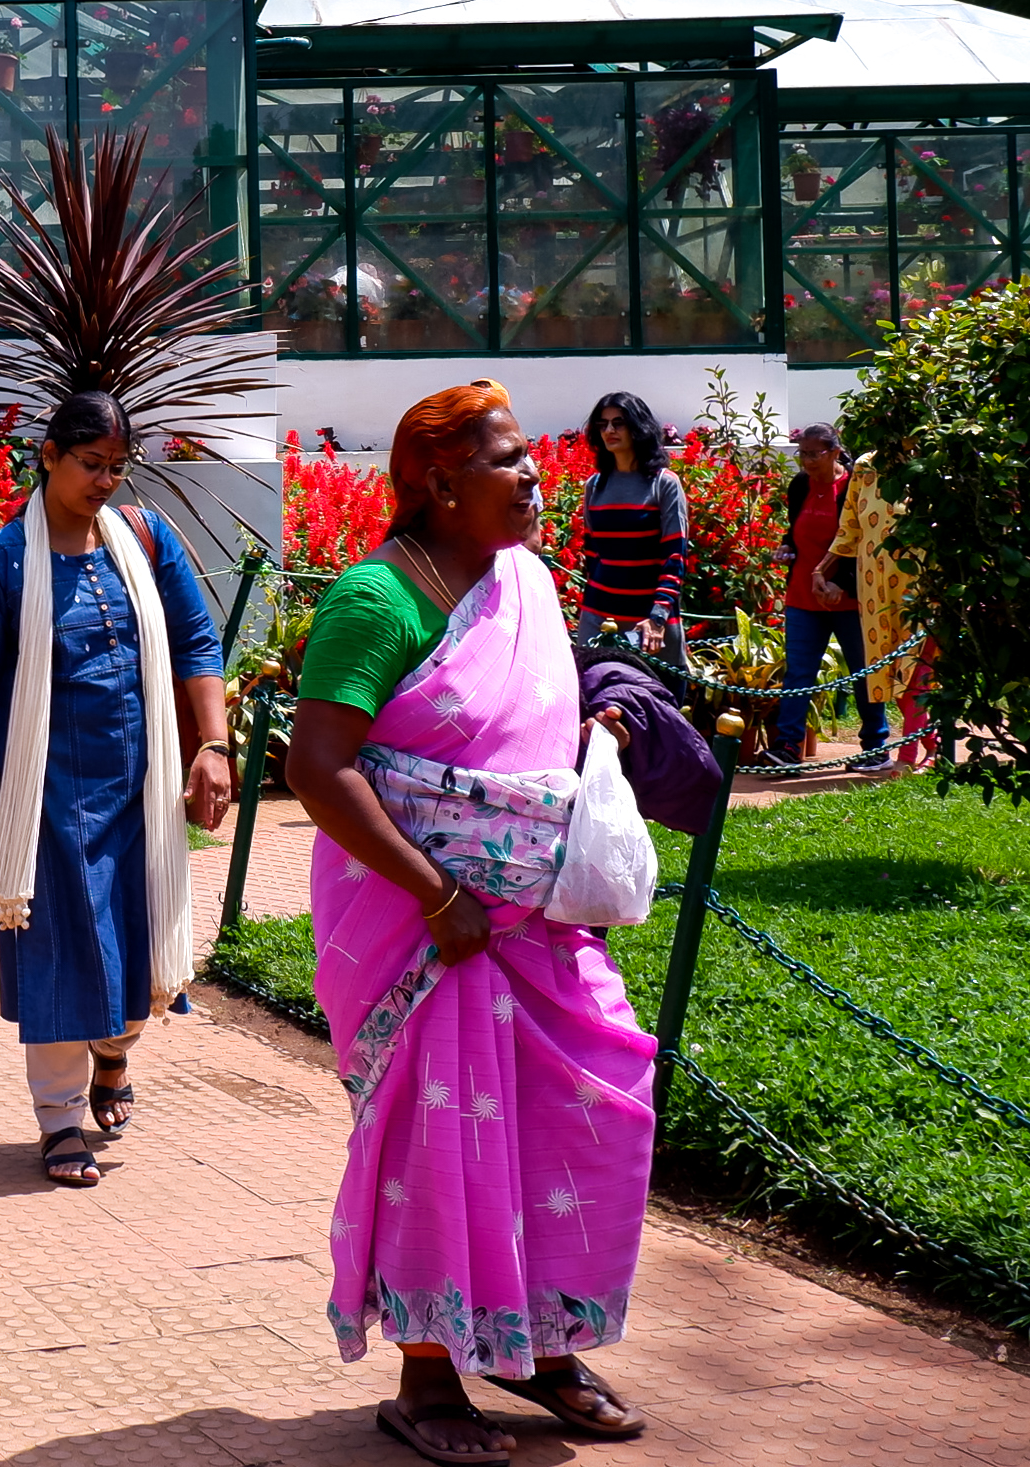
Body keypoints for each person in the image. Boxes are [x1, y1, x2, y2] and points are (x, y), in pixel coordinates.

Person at [285, 381, 660, 1461]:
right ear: (441, 485)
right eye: (507, 461)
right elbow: (319, 767)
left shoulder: (526, 585)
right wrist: (440, 895)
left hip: (540, 926)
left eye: (528, 461)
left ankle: (542, 1347)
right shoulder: (378, 600)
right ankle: (429, 1375)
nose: (535, 475)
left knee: (589, 1109)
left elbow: (522, 728)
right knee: (441, 1136)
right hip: (426, 929)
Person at [0, 391, 231, 1188]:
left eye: (117, 467)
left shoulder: (147, 539)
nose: (105, 481)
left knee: (139, 965)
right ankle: (57, 1121)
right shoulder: (3, 561)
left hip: (138, 789)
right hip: (43, 798)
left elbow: (193, 638)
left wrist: (212, 744)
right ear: (48, 454)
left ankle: (113, 1055)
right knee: (56, 954)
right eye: (90, 463)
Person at [827, 439, 927, 769]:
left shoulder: (931, 464)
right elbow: (850, 526)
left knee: (916, 670)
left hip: (919, 587)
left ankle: (910, 756)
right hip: (873, 589)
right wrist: (821, 569)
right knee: (887, 670)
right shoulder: (866, 465)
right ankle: (933, 743)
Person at [775, 424, 870, 766]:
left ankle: (874, 746)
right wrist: (786, 547)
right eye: (802, 453)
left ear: (834, 452)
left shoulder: (853, 487)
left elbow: (860, 542)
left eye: (814, 454)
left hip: (846, 598)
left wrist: (840, 584)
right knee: (798, 674)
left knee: (862, 671)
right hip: (803, 596)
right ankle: (787, 748)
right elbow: (795, 530)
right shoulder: (800, 485)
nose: (807, 461)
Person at [570, 392, 689, 653]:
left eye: (619, 422)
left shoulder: (664, 484)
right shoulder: (595, 486)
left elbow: (674, 557)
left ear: (638, 427)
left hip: (649, 627)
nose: (609, 430)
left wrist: (658, 617)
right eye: (603, 424)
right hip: (598, 621)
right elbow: (593, 556)